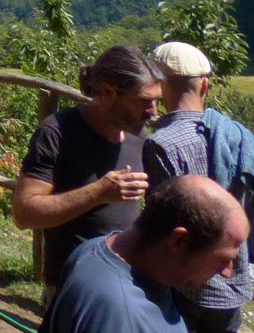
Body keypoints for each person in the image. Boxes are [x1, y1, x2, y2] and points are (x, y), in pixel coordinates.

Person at [143, 41, 254, 333]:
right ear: (204, 86)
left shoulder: (161, 145)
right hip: (232, 281)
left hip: (183, 283)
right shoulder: (242, 136)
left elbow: (162, 223)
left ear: (158, 88)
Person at [16, 45, 165, 308]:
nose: (154, 111)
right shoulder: (58, 133)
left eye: (156, 101)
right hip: (73, 288)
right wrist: (99, 192)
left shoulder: (139, 137)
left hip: (126, 286)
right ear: (108, 92)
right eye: (144, 101)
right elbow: (25, 213)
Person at [38, 175, 249, 333]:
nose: (227, 272)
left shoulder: (96, 248)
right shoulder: (122, 321)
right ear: (179, 241)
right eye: (224, 259)